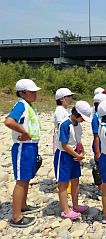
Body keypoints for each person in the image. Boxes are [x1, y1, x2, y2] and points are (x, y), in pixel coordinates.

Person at [4, 79, 41, 228]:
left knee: (26, 179)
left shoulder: (27, 105)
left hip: (30, 147)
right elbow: (9, 121)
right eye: (32, 92)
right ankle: (16, 217)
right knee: (21, 180)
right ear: (22, 93)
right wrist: (23, 132)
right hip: (23, 147)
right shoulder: (21, 105)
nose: (35, 94)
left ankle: (23, 206)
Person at [54, 101, 92, 220]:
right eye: (82, 118)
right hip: (64, 156)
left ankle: (75, 205)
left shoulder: (78, 126)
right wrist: (77, 155)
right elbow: (64, 145)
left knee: (75, 180)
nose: (83, 120)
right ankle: (65, 210)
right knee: (63, 183)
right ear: (77, 114)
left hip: (74, 155)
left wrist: (82, 152)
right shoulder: (65, 124)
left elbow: (78, 141)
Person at [53, 88, 75, 194]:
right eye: (69, 96)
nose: (71, 98)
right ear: (62, 99)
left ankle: (66, 185)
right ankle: (62, 186)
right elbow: (63, 128)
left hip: (65, 142)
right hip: (62, 143)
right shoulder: (60, 111)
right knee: (63, 166)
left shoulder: (65, 110)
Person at [91, 93, 106, 194]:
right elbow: (96, 136)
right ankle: (101, 188)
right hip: (99, 145)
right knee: (100, 167)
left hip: (105, 145)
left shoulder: (103, 116)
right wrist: (97, 152)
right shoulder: (96, 117)